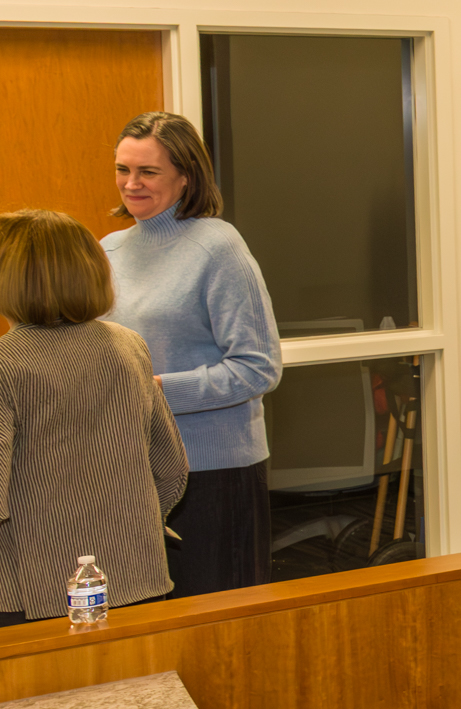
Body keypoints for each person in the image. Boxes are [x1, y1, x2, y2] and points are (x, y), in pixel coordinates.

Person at [103, 111, 281, 595]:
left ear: (186, 176)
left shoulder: (218, 247)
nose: (131, 183)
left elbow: (258, 368)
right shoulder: (108, 250)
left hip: (213, 474)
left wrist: (156, 391)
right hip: (137, 471)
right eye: (123, 169)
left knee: (217, 624)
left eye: (148, 171)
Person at [0, 211, 188, 623]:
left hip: (36, 593)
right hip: (139, 575)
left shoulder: (6, 363)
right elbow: (171, 467)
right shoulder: (129, 346)